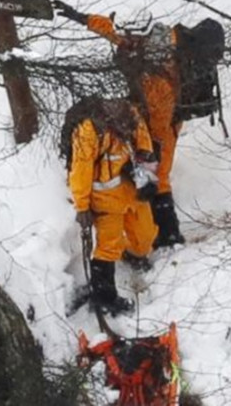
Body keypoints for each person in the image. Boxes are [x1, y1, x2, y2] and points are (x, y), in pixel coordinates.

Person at [53, 1, 188, 247]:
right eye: (122, 35)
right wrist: (81, 17)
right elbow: (109, 29)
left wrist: (151, 148)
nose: (122, 39)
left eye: (128, 37)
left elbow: (160, 116)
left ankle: (169, 236)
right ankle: (151, 231)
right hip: (144, 114)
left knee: (159, 176)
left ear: (142, 36)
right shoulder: (135, 40)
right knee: (151, 172)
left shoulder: (160, 70)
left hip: (163, 124)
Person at [61, 96, 159, 315]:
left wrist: (148, 177)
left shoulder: (132, 115)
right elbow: (81, 169)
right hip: (104, 199)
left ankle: (132, 254)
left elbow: (145, 145)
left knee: (144, 238)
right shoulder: (89, 130)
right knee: (108, 247)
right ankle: (105, 297)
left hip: (132, 193)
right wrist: (83, 206)